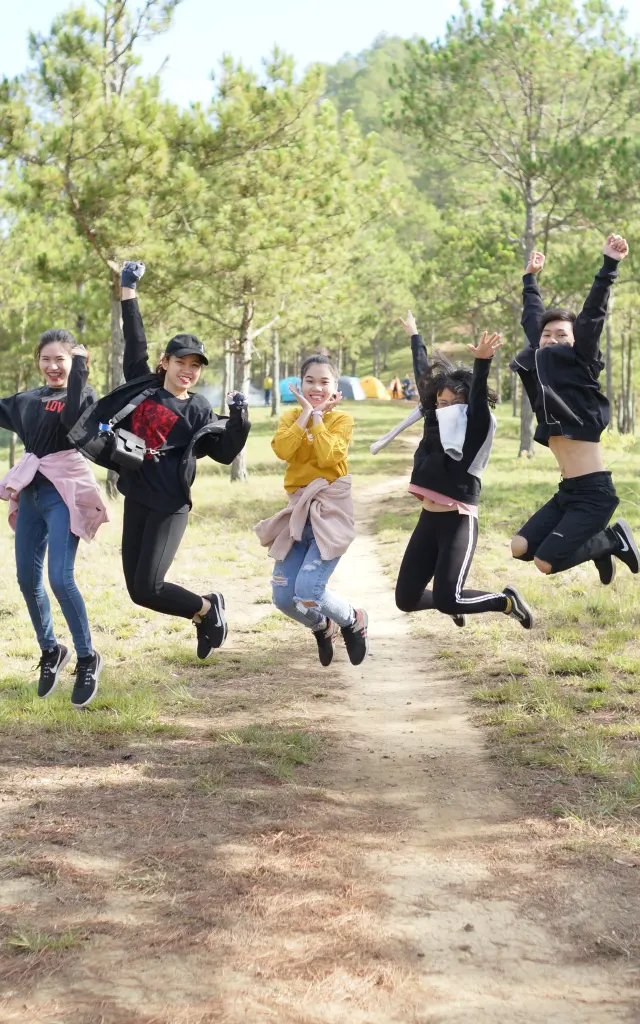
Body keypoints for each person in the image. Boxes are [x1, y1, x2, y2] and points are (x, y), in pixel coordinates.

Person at [102, 261, 249, 658]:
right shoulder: (144, 386)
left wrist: (239, 420)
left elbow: (222, 452)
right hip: (137, 497)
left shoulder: (199, 410)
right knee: (138, 593)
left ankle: (207, 608)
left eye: (195, 365)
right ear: (164, 362)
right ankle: (203, 613)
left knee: (151, 586)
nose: (187, 370)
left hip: (169, 506)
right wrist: (128, 287)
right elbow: (134, 339)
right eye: (180, 362)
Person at [510, 234, 638, 583]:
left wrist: (609, 265)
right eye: (547, 335)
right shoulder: (539, 366)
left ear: (576, 340)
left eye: (562, 334)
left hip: (595, 493)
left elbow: (593, 314)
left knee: (546, 563)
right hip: (568, 490)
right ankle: (600, 548)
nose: (553, 339)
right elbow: (532, 318)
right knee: (520, 547)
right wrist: (530, 279)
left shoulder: (581, 363)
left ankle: (611, 540)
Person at [393, 311, 533, 629]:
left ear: (467, 404)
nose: (445, 409)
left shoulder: (475, 428)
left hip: (458, 521)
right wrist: (415, 335)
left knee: (448, 599)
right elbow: (423, 376)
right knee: (406, 599)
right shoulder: (435, 420)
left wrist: (483, 362)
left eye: (454, 403)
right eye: (441, 403)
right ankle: (457, 604)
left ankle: (506, 601)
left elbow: (478, 399)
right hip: (428, 520)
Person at [0, 330, 108, 707]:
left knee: (60, 578)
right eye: (45, 359)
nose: (52, 366)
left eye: (60, 359)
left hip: (64, 492)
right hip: (30, 493)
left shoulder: (83, 396)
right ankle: (51, 650)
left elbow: (78, 421)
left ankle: (87, 656)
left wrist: (80, 370)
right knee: (26, 579)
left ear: (76, 360)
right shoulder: (28, 399)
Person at [254, 355, 369, 667]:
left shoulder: (342, 420)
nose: (316, 387)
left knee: (308, 589)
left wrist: (318, 418)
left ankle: (352, 618)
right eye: (310, 381)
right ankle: (322, 625)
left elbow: (330, 457)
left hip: (329, 513)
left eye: (324, 382)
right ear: (299, 384)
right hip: (297, 511)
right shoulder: (292, 415)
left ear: (335, 387)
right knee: (282, 598)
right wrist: (306, 413)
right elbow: (282, 450)